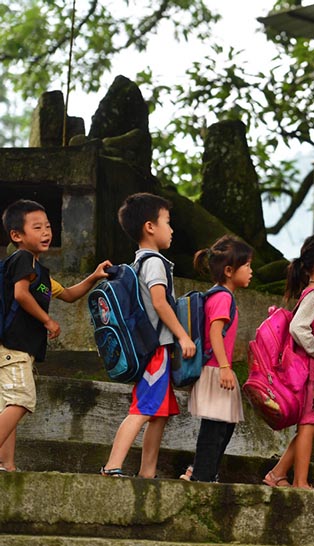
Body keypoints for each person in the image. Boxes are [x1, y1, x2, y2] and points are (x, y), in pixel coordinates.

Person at [0, 199, 111, 472]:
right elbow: (20, 294)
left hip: (16, 349)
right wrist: (48, 320)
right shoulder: (22, 259)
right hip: (12, 346)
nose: (46, 232)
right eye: (37, 227)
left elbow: (70, 295)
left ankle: (7, 465)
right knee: (21, 400)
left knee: (8, 408)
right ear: (17, 236)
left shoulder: (41, 274)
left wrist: (94, 276)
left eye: (48, 226)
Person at [101, 193, 196, 478]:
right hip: (156, 349)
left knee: (160, 413)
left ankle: (147, 472)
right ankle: (112, 465)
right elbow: (159, 302)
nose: (172, 229)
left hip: (155, 349)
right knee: (143, 408)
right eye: (167, 222)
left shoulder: (140, 262)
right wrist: (183, 336)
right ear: (150, 226)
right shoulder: (154, 262)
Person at [262, 233, 314, 489]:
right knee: (309, 425)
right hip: (307, 373)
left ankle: (277, 474)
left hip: (313, 374)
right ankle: (300, 481)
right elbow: (299, 328)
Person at [179, 235, 253, 483]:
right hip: (215, 368)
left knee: (224, 424)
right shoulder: (223, 297)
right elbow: (214, 332)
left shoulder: (218, 295)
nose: (251, 271)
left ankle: (203, 470)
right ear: (230, 271)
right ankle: (201, 475)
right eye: (248, 266)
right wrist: (224, 367)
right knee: (215, 427)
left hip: (217, 367)